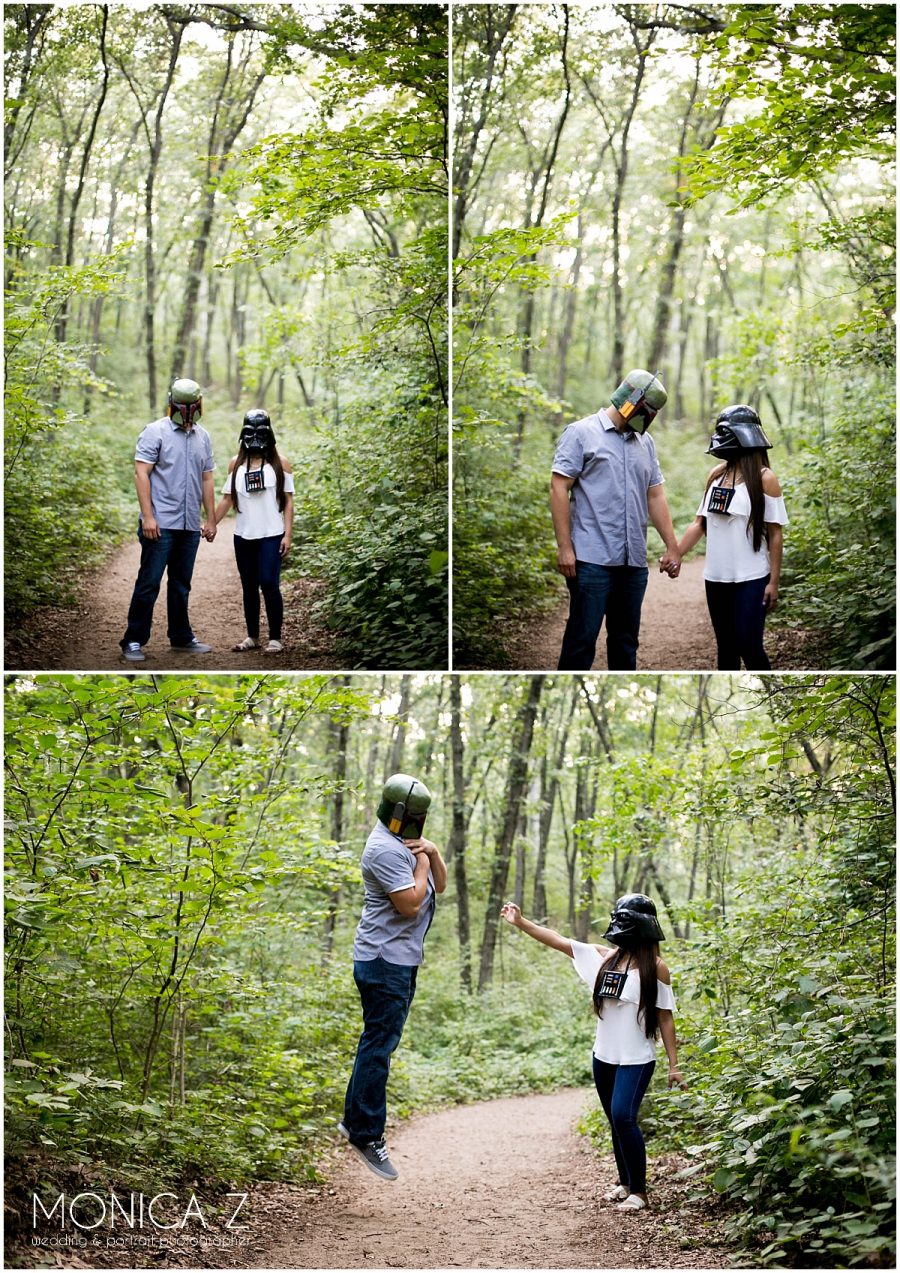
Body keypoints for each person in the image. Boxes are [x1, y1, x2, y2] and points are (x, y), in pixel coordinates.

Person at [501, 893, 685, 1211]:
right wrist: (520, 922)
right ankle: (625, 1183)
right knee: (614, 1121)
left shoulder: (656, 968)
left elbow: (666, 1017)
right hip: (604, 1057)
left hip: (636, 1058)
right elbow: (558, 940)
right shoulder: (604, 959)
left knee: (623, 1116)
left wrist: (674, 1065)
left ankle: (639, 1192)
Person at [340, 773, 447, 1181]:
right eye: (415, 816)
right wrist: (421, 863)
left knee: (379, 1041)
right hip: (384, 960)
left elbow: (441, 885)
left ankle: (356, 1123)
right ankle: (366, 1132)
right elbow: (410, 905)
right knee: (379, 1044)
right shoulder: (383, 850)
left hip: (398, 960)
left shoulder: (408, 842)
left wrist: (432, 854)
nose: (420, 823)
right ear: (398, 812)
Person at [551, 369, 682, 671]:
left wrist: (672, 547)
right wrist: (564, 548)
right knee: (581, 640)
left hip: (633, 563)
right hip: (591, 559)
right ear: (633, 400)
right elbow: (559, 487)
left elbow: (655, 496)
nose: (650, 417)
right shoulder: (581, 432)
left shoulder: (645, 443)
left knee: (625, 643)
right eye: (648, 409)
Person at [676, 404, 788, 670]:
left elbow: (775, 535)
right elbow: (699, 523)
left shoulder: (765, 478)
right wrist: (675, 553)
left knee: (749, 645)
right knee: (726, 648)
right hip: (716, 579)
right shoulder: (716, 475)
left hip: (752, 578)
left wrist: (773, 582)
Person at [120, 377, 216, 662]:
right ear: (172, 404)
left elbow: (207, 478)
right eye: (182, 405)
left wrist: (211, 519)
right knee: (149, 582)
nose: (187, 411)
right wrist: (148, 517)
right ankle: (133, 640)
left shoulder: (203, 436)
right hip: (160, 524)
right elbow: (141, 474)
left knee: (181, 584)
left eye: (192, 405)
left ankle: (181, 637)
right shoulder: (154, 432)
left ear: (199, 404)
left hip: (188, 525)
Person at [213, 409, 294, 655]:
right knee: (249, 586)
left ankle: (275, 638)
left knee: (269, 584)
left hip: (271, 535)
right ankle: (252, 636)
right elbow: (228, 498)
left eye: (261, 431)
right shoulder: (235, 464)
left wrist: (288, 534)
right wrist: (211, 522)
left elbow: (288, 501)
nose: (256, 437)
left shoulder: (281, 463)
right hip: (244, 536)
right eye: (250, 431)